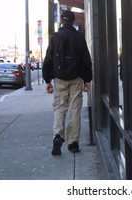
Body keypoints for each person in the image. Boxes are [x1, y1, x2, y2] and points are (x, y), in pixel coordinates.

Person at [42, 10, 92, 156]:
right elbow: (86, 59)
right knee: (75, 109)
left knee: (60, 108)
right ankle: (73, 143)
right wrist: (87, 79)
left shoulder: (55, 37)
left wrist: (47, 80)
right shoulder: (79, 37)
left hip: (59, 79)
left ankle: (58, 136)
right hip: (76, 79)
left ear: (62, 21)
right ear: (73, 20)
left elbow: (49, 59)